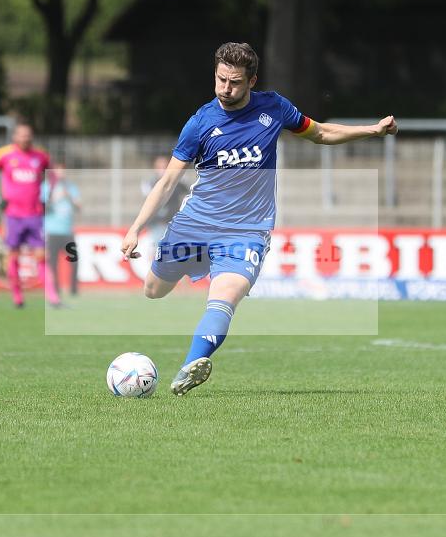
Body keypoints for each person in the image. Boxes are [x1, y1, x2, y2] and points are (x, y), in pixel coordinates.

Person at [120, 42, 398, 395]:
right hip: (195, 224)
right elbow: (169, 180)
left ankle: (192, 364)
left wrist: (371, 130)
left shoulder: (274, 107)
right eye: (220, 79)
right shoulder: (201, 122)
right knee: (153, 290)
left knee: (226, 295)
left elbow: (321, 133)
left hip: (246, 230)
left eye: (234, 82)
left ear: (252, 80)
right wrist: (135, 227)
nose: (225, 89)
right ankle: (191, 299)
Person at [0, 123, 54, 307]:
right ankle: (17, 297)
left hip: (35, 214)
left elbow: (53, 177)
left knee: (41, 255)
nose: (25, 139)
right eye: (21, 135)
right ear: (15, 137)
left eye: (28, 135)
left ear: (32, 137)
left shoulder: (40, 156)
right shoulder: (3, 154)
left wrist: (46, 196)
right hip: (13, 215)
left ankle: (52, 297)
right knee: (13, 255)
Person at [42, 161, 81, 305]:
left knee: (74, 260)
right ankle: (55, 290)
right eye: (58, 170)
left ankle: (73, 289)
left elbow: (79, 206)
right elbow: (42, 207)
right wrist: (56, 197)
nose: (61, 173)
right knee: (52, 264)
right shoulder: (46, 187)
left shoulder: (70, 187)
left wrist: (69, 196)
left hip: (67, 232)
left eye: (63, 170)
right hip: (52, 232)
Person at [141, 155, 190, 249]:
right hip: (157, 224)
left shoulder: (179, 181)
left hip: (174, 222)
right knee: (159, 250)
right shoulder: (150, 182)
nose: (162, 169)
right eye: (159, 166)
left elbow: (187, 194)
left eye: (164, 166)